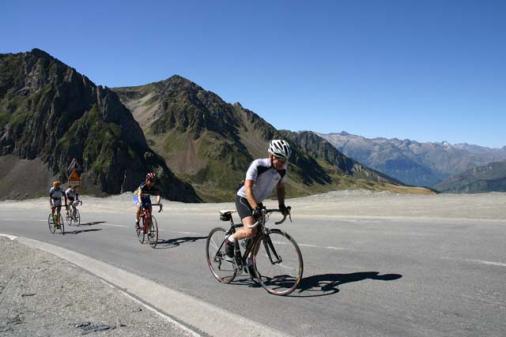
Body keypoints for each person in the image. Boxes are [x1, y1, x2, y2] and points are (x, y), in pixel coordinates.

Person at [224, 139, 292, 260]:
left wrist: (282, 206)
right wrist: (255, 208)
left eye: (285, 160)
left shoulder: (282, 170)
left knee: (259, 233)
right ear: (271, 155)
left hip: (257, 201)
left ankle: (250, 262)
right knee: (250, 231)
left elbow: (280, 188)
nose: (282, 163)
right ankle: (230, 239)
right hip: (244, 198)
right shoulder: (258, 165)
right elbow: (248, 189)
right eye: (280, 159)